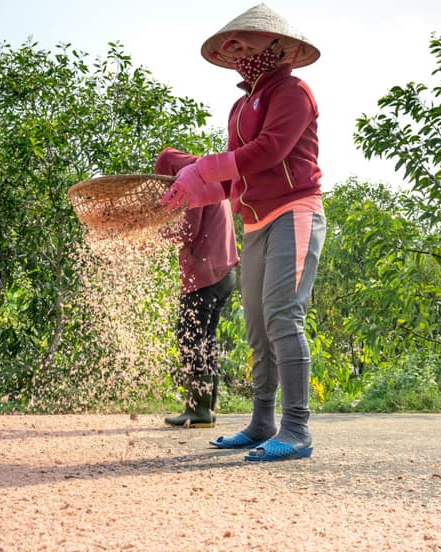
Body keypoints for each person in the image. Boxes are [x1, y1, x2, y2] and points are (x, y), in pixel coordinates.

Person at [160, 3, 325, 461]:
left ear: (278, 47)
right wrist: (190, 191)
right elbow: (235, 178)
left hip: (294, 212)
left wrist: (204, 167)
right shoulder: (240, 106)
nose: (239, 55)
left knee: (282, 317)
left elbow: (269, 151)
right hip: (255, 222)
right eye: (234, 49)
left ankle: (296, 428)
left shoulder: (292, 92)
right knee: (257, 326)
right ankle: (262, 422)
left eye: (247, 46)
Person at [156, 148, 239, 428]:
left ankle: (198, 409)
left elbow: (187, 231)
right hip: (225, 272)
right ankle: (207, 407)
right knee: (206, 339)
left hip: (204, 273)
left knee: (189, 337)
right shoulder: (208, 173)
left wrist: (153, 233)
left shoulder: (189, 179)